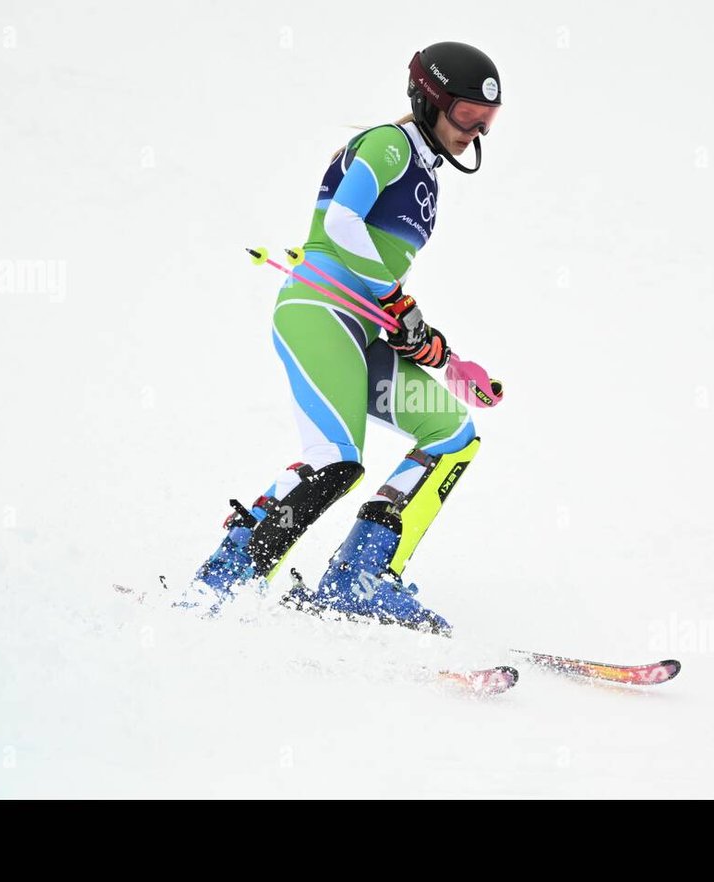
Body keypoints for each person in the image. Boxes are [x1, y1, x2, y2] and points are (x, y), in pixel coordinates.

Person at [181, 42, 503, 635]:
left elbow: (383, 276)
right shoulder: (389, 143)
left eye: (489, 119)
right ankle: (218, 586)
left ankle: (360, 581)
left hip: (363, 326)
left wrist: (420, 339)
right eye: (466, 115)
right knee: (335, 461)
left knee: (452, 435)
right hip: (320, 313)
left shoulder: (429, 173)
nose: (477, 130)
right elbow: (339, 224)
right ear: (429, 101)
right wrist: (396, 305)